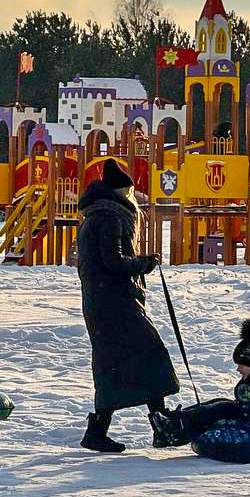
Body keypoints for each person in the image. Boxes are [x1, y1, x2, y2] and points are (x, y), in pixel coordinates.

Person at [76, 159, 178, 452]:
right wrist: (143, 264)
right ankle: (159, 424)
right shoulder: (111, 216)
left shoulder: (95, 216)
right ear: (123, 191)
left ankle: (106, 429)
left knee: (116, 364)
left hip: (102, 302)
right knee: (150, 354)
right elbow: (114, 262)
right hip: (116, 302)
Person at [149, 319, 250, 447]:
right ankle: (173, 422)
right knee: (219, 402)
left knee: (222, 408)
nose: (238, 369)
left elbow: (244, 396)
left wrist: (245, 385)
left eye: (242, 365)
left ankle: (175, 426)